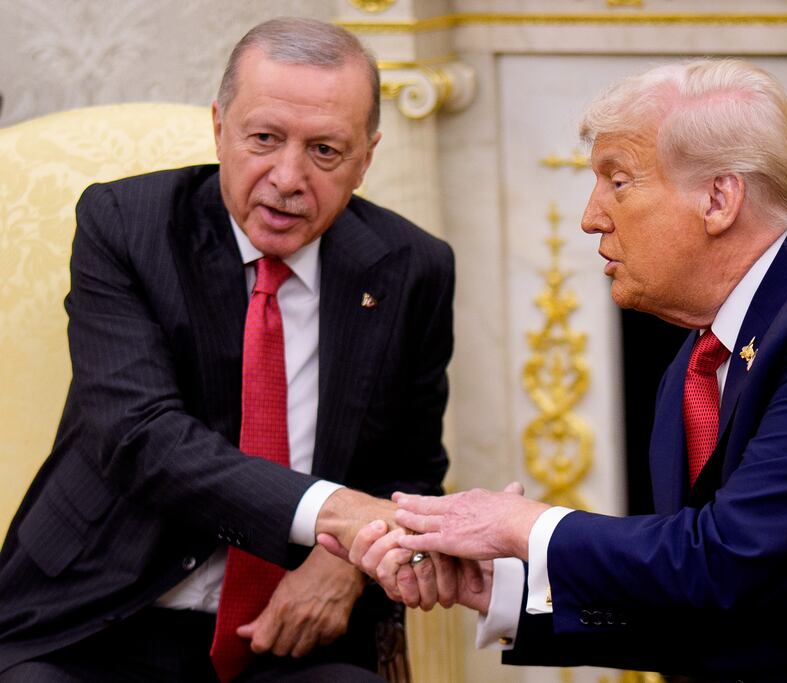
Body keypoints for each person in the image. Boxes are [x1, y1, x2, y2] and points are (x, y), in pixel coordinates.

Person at [347, 58, 787, 682]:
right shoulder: (699, 361)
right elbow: (708, 601)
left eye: (618, 180)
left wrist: (525, 525)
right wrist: (504, 584)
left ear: (719, 199)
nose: (589, 218)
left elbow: (731, 559)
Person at [0, 17, 453, 683]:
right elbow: (141, 436)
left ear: (368, 155)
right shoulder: (127, 226)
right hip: (99, 613)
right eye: (264, 139)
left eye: (326, 150)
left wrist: (345, 561)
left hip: (288, 629)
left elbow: (413, 471)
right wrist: (336, 513)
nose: (288, 176)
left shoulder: (411, 266)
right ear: (220, 128)